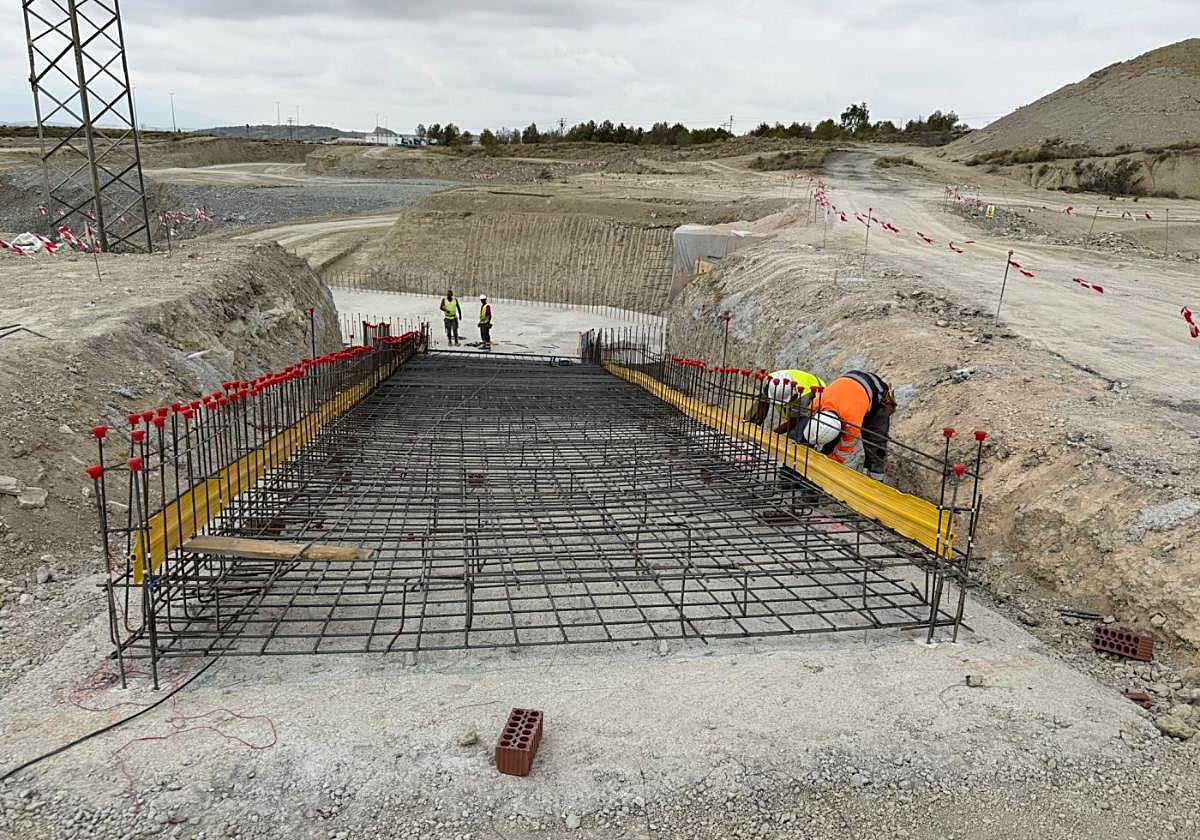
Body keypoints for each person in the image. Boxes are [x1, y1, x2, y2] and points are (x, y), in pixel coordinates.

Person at [799, 370, 896, 480]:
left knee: (875, 448)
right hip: (851, 383)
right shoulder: (816, 403)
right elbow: (809, 434)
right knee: (829, 444)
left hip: (877, 397)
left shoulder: (852, 424)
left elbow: (842, 454)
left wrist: (826, 470)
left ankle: (874, 482)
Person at [746, 368, 826, 434]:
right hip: (795, 392)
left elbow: (794, 421)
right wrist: (758, 423)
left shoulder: (803, 397)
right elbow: (763, 402)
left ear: (793, 394)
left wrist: (773, 435)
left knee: (795, 436)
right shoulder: (770, 382)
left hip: (817, 394)